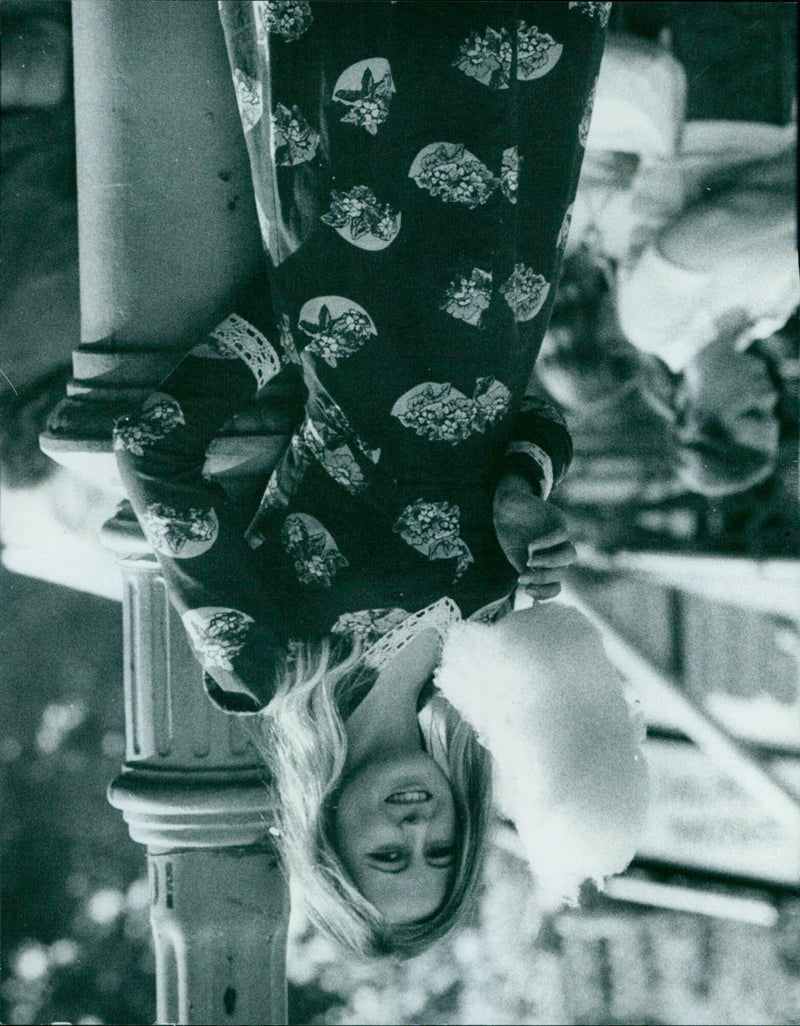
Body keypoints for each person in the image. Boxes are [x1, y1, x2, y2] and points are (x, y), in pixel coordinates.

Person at [115, 1, 645, 957]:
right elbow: (533, 417)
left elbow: (151, 446)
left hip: (363, 213)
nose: (414, 829)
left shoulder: (266, 666)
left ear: (327, 840)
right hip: (510, 217)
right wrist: (524, 488)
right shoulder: (481, 649)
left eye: (388, 856)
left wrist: (302, 325)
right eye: (439, 849)